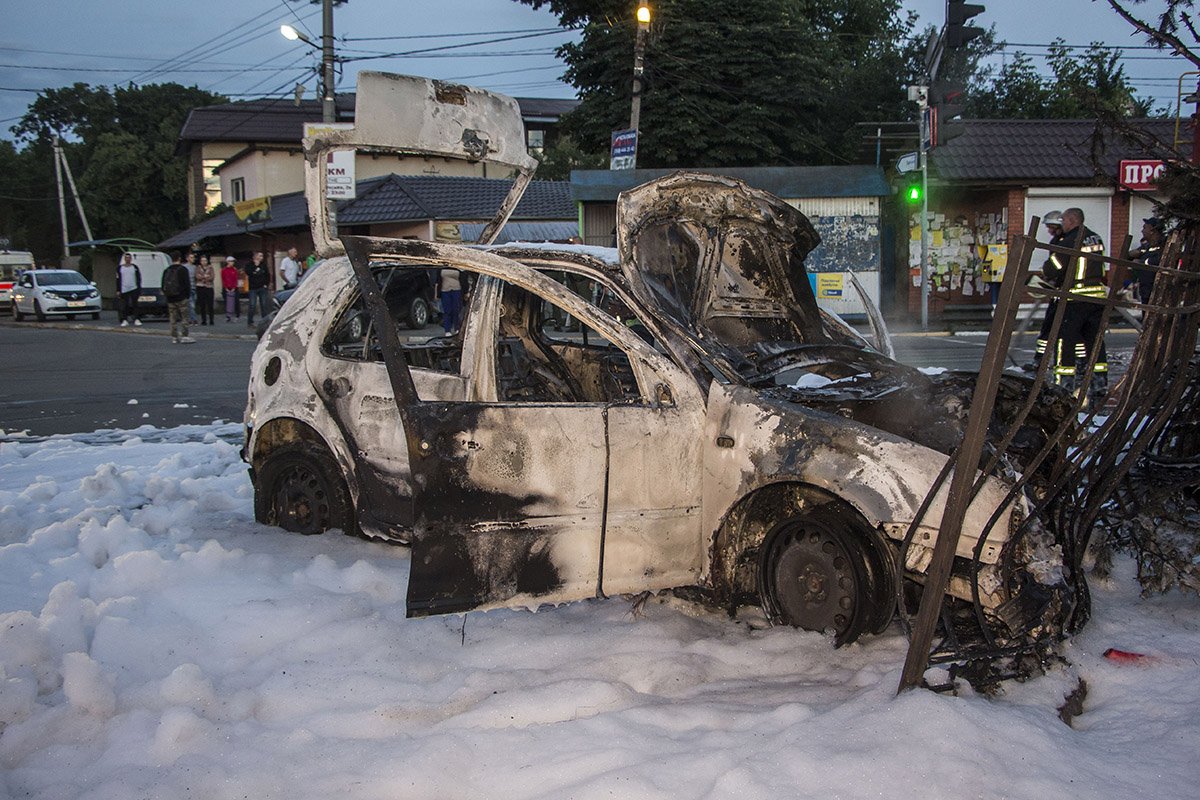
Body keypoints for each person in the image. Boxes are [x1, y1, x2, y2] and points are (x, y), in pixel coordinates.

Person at [1043, 207, 1108, 397]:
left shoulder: (1071, 240)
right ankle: (1099, 384)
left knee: (1064, 342)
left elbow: (1051, 268)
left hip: (1075, 299)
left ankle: (1063, 386)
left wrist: (1048, 271)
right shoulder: (1095, 238)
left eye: (1064, 220)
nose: (1062, 224)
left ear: (1072, 220)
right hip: (1096, 299)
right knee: (1095, 342)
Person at [1026, 211, 1065, 371]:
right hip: (1057, 290)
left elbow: (1058, 265)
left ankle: (1050, 361)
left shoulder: (1065, 242)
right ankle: (1039, 360)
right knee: (1047, 328)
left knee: (1057, 329)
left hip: (1064, 293)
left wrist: (1047, 273)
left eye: (1051, 227)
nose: (1049, 230)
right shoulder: (1056, 240)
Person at [1128, 216, 1166, 305]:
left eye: (1145, 228)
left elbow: (1159, 261)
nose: (1142, 231)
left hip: (1157, 290)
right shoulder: (1146, 246)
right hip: (1145, 289)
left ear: (1152, 231)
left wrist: (1142, 263)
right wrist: (1131, 254)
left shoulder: (1164, 245)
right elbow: (1129, 256)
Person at [162, 253, 195, 344]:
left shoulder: (167, 270)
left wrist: (167, 295)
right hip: (181, 297)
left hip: (170, 298)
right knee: (184, 317)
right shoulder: (183, 270)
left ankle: (174, 337)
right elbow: (187, 284)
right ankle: (184, 335)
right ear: (179, 258)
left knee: (173, 318)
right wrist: (187, 295)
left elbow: (163, 285)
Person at [245, 251, 271, 327]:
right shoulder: (249, 265)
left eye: (262, 256)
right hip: (253, 288)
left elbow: (267, 275)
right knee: (252, 305)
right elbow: (248, 272)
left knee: (264, 305)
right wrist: (255, 266)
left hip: (262, 287)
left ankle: (265, 322)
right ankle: (250, 322)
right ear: (255, 257)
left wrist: (266, 284)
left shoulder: (263, 265)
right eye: (260, 256)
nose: (261, 258)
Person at [116, 252, 142, 327]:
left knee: (135, 304)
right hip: (124, 289)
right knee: (125, 305)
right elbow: (117, 279)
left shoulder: (135, 267)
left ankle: (137, 319)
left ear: (131, 259)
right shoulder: (120, 268)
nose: (128, 259)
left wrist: (139, 288)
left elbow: (138, 278)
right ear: (124, 259)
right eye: (126, 258)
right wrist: (118, 290)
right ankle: (125, 319)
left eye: (129, 258)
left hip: (134, 288)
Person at [437, 266, 463, 334]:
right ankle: (447, 330)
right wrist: (436, 293)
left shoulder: (457, 266)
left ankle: (457, 328)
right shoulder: (441, 267)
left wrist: (465, 291)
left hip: (456, 290)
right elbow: (438, 280)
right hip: (445, 290)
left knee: (456, 310)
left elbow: (463, 278)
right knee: (447, 311)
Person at [195, 254, 215, 326]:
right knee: (202, 304)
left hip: (209, 287)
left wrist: (203, 277)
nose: (204, 262)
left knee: (210, 304)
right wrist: (205, 277)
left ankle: (211, 320)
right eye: (202, 260)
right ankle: (204, 320)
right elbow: (197, 276)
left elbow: (212, 277)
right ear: (200, 261)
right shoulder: (198, 267)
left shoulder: (210, 267)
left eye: (205, 260)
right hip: (200, 287)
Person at [221, 256, 240, 321]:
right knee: (227, 302)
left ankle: (237, 315)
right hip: (226, 288)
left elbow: (235, 279)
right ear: (227, 262)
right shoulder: (224, 270)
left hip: (234, 288)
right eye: (231, 261)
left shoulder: (234, 270)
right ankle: (228, 316)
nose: (232, 263)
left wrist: (234, 287)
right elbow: (223, 279)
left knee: (236, 301)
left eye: (233, 261)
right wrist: (225, 287)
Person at [183, 251, 199, 324]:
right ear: (187, 258)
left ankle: (190, 319)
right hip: (188, 288)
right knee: (191, 304)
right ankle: (193, 319)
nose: (193, 259)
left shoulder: (195, 267)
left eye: (193, 257)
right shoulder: (184, 267)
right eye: (191, 257)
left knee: (193, 305)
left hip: (194, 287)